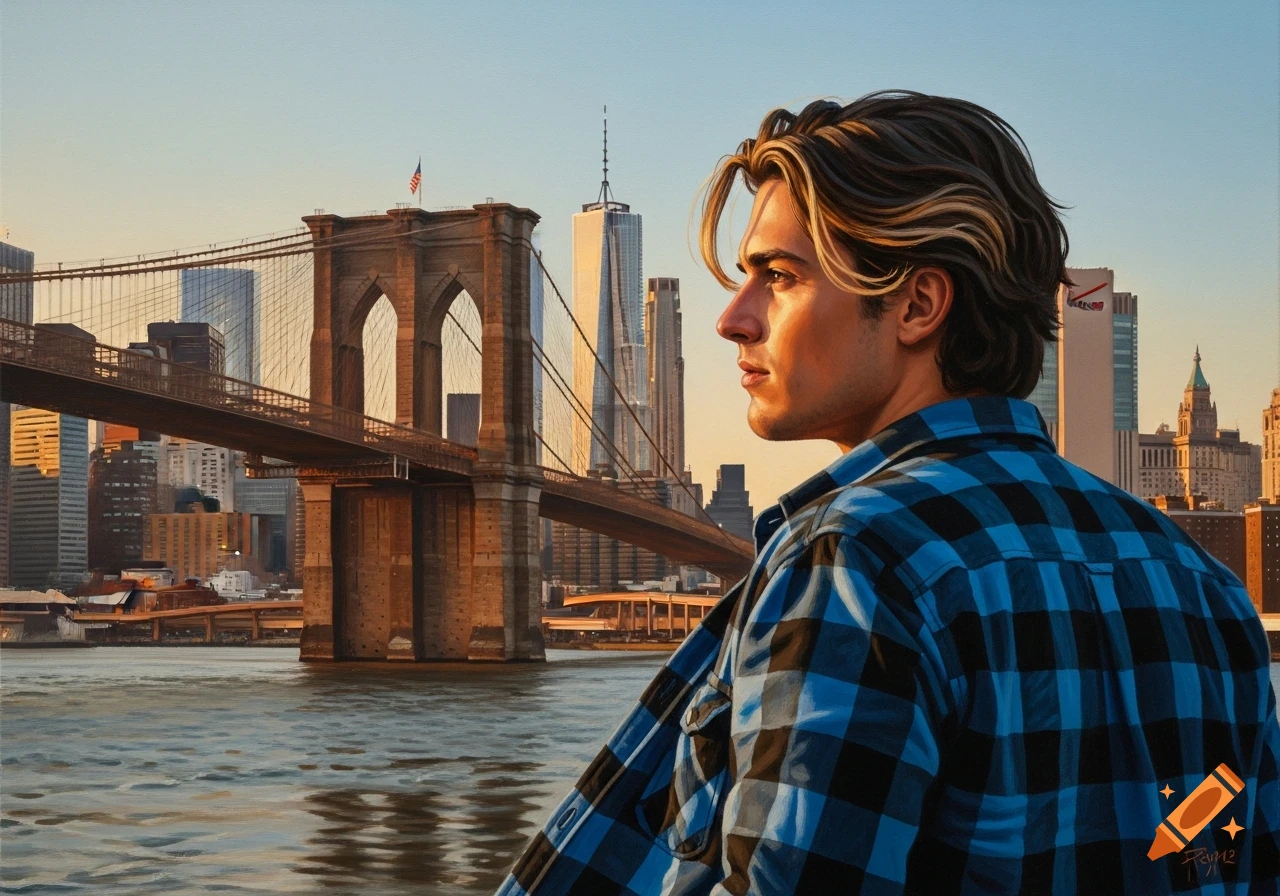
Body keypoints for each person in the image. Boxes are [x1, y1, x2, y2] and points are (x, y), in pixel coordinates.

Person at [497, 91, 1280, 894]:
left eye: (779, 276)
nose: (734, 318)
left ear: (916, 305)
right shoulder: (1205, 590)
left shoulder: (854, 561)